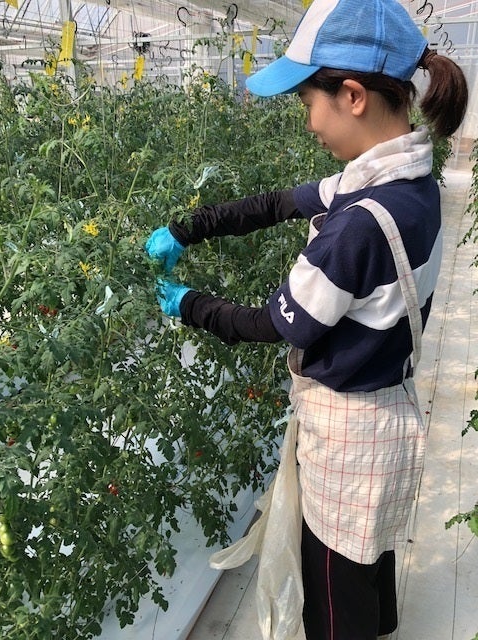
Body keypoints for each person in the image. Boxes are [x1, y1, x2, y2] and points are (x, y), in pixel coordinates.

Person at [145, 0, 468, 638]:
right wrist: (190, 228)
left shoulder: (357, 229)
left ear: (352, 96)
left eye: (306, 101)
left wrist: (189, 304)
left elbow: (275, 322)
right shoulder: (406, 184)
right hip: (388, 410)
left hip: (351, 437)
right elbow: (281, 202)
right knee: (368, 558)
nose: (307, 121)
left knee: (333, 591)